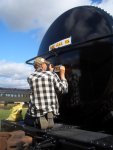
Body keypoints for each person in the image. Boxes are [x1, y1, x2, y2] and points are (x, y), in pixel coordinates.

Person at [24, 57, 68, 129]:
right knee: (50, 104)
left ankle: (40, 116)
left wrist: (50, 71)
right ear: (42, 65)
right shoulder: (51, 75)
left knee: (27, 118)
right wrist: (62, 74)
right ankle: (49, 114)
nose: (47, 66)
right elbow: (63, 90)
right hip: (51, 108)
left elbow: (42, 79)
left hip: (35, 109)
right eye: (46, 64)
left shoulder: (30, 77)